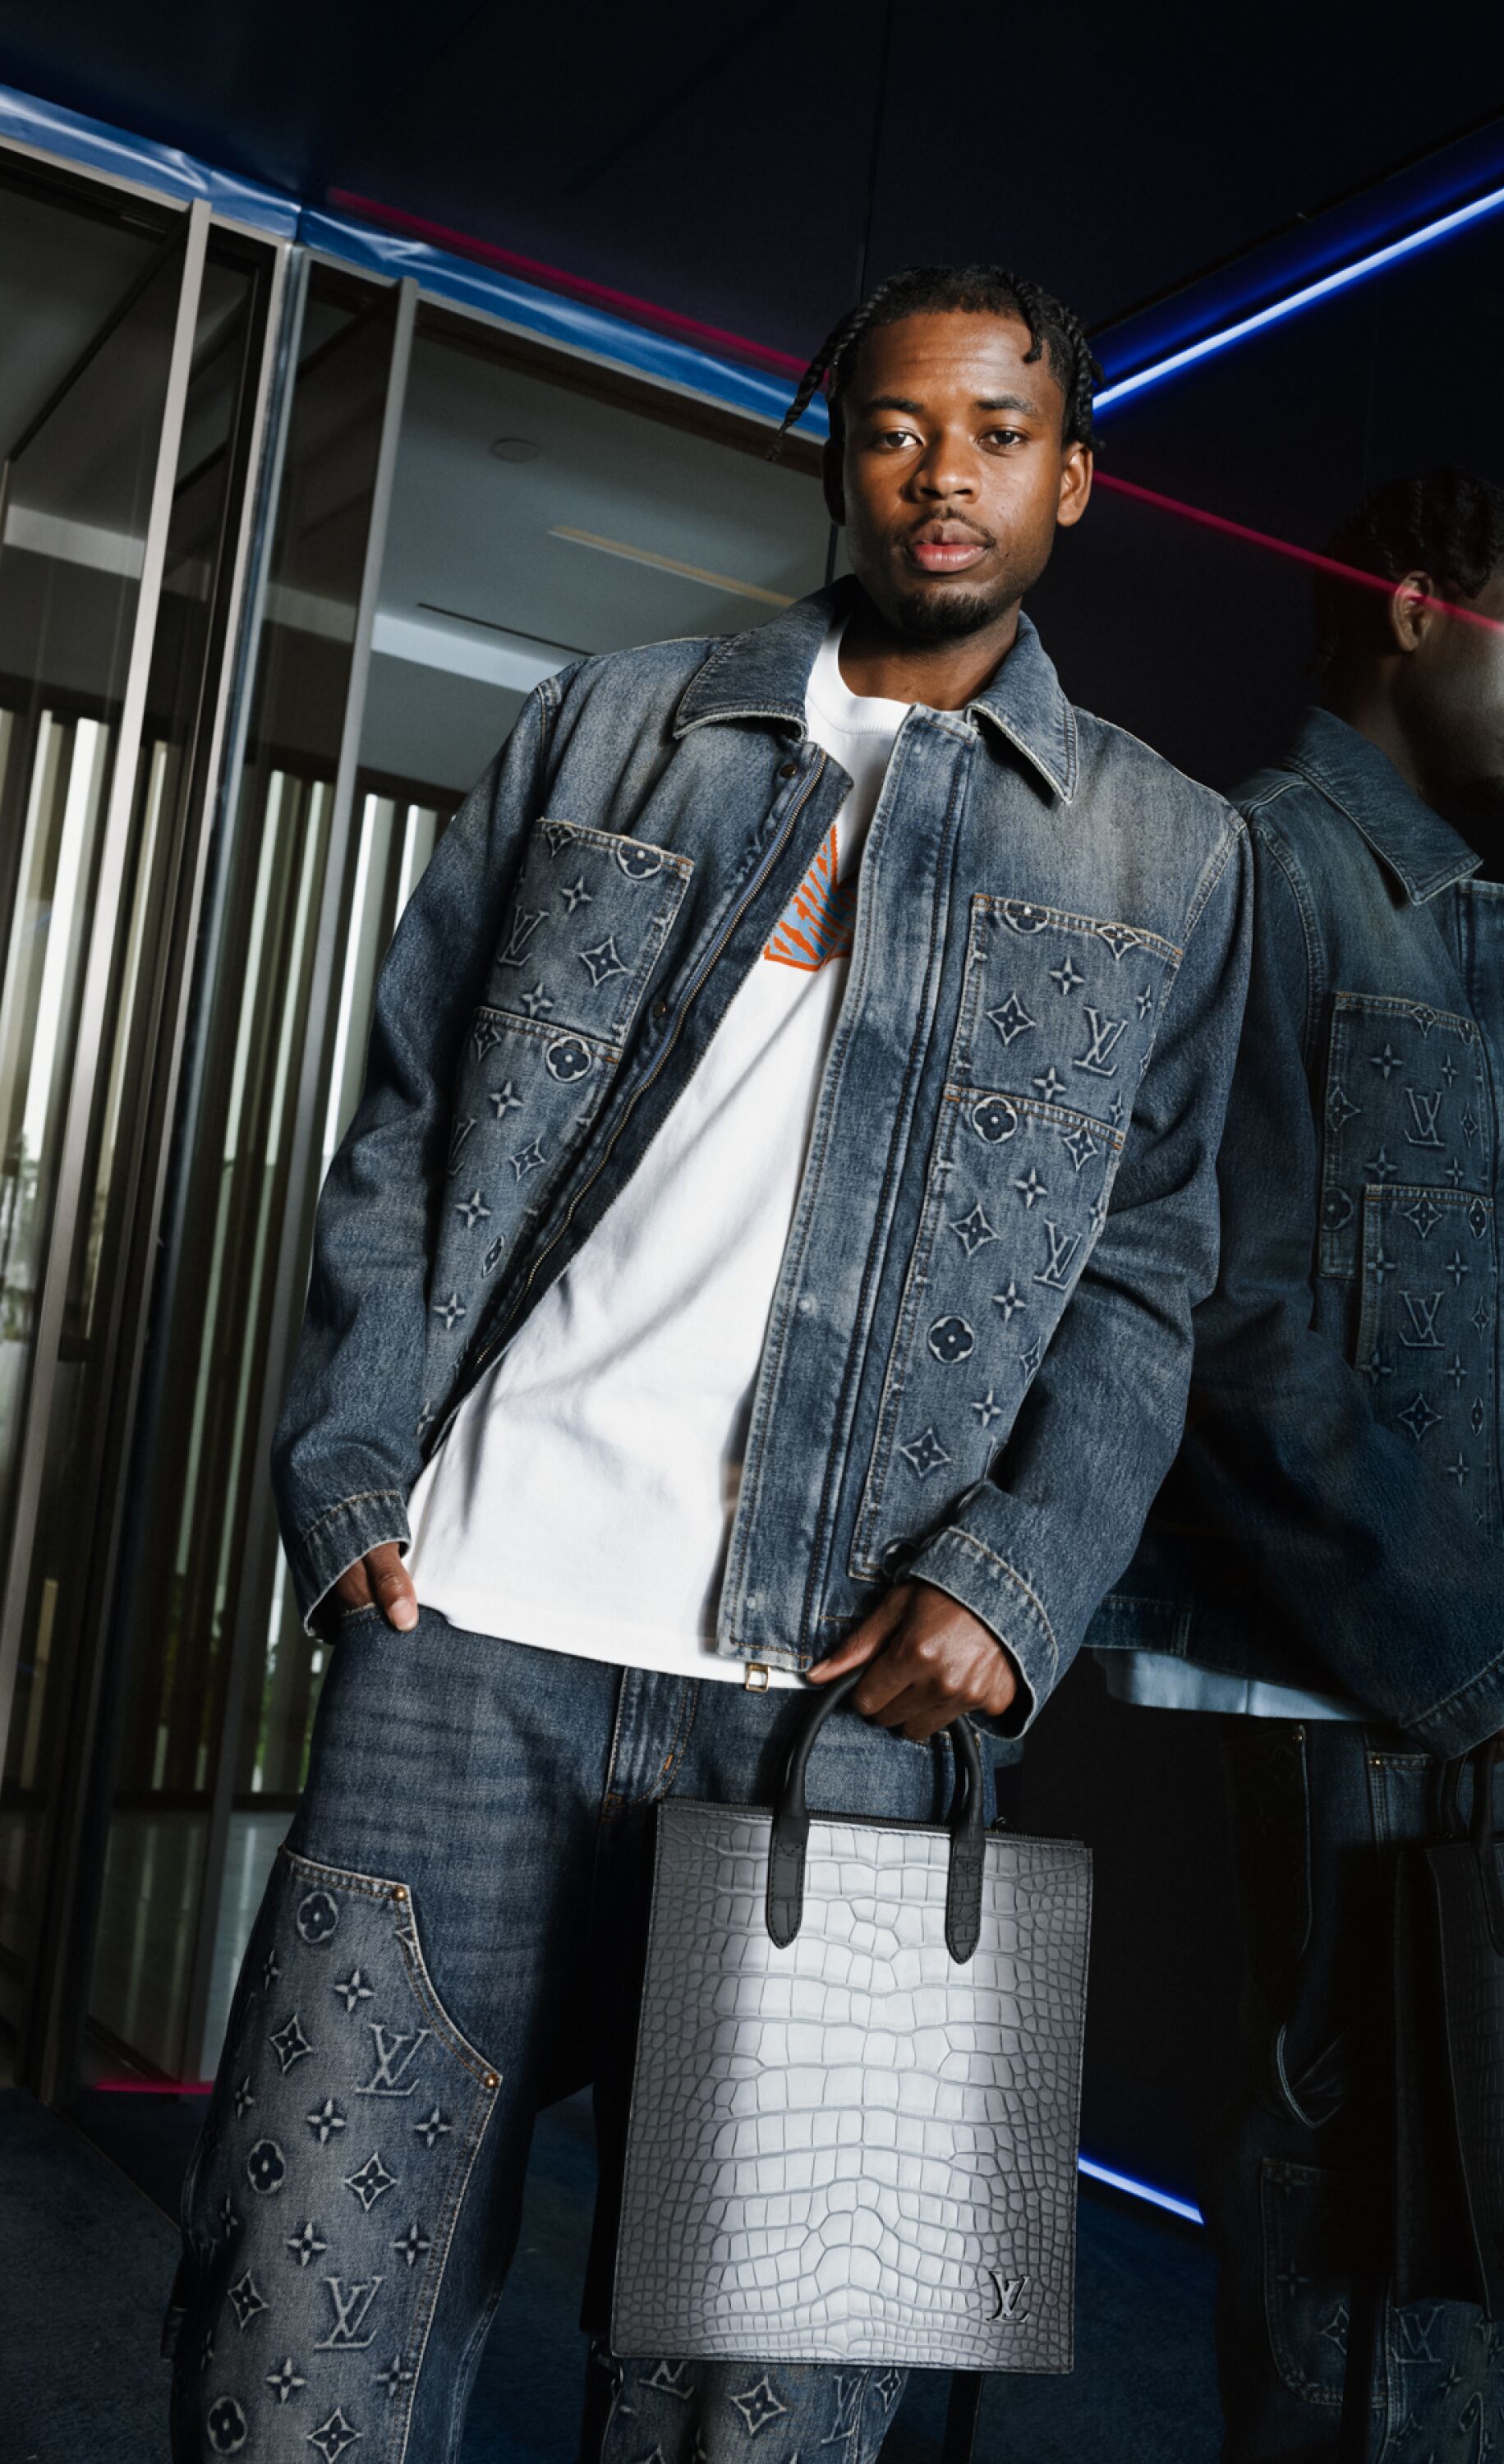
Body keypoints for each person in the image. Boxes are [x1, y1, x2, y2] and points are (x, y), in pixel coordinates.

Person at [163, 264, 1252, 2464]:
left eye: (1000, 432)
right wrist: (351, 1469)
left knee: (767, 2419)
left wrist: (1019, 1588)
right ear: (837, 449)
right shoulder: (605, 724)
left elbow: (1153, 1274)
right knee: (290, 2356)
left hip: (852, 1713)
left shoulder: (1171, 850)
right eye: (895, 427)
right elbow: (401, 1123)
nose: (945, 475)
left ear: (1077, 477)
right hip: (472, 1635)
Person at [1088, 467, 1504, 2462]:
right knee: (1359, 2166)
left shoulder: (1432, 907)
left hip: (1442, 1653)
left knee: (1451, 2164)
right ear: (1412, 612)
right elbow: (1233, 1317)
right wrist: (1467, 1635)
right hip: (1353, 1658)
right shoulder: (1276, 868)